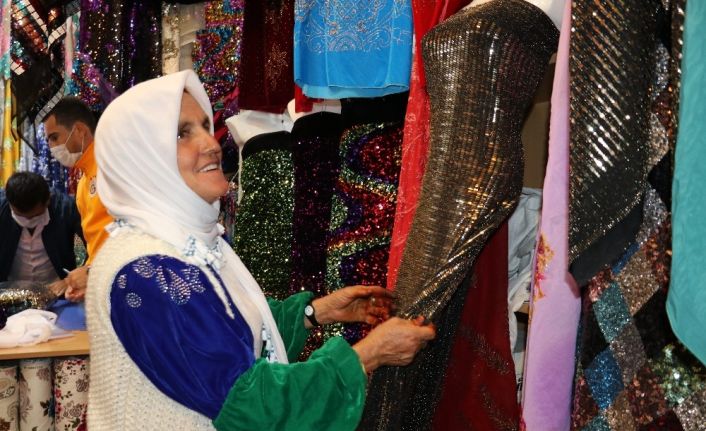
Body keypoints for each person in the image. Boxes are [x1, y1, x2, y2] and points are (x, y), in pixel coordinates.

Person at [86, 70, 435, 430]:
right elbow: (249, 405)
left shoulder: (180, 242)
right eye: (181, 134)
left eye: (205, 126)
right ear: (142, 158)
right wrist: (367, 355)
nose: (210, 144)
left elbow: (227, 334)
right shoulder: (148, 271)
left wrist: (315, 312)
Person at [43, 97, 113, 301]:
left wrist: (91, 273)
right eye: (48, 140)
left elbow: (135, 232)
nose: (51, 147)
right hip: (105, 285)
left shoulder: (112, 165)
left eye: (55, 137)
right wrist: (86, 279)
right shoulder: (83, 181)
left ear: (80, 130)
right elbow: (96, 241)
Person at [0, 172, 82, 285]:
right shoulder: (2, 207)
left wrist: (71, 280)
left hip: (58, 288)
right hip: (9, 289)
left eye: (35, 216)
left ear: (48, 200)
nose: (28, 221)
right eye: (20, 216)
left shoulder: (66, 209)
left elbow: (92, 246)